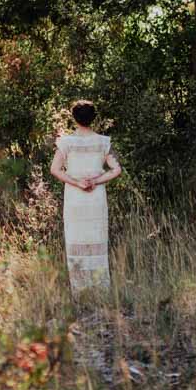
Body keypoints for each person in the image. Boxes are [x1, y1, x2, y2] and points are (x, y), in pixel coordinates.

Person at [50, 100, 122, 295]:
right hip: (96, 198)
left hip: (75, 198)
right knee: (97, 240)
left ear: (74, 118)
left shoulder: (66, 142)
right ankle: (99, 289)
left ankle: (80, 291)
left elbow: (54, 169)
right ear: (93, 118)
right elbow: (116, 169)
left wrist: (76, 182)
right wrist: (96, 181)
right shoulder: (103, 142)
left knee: (77, 241)